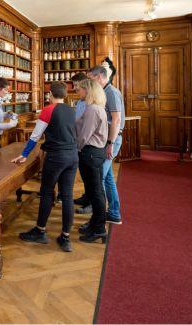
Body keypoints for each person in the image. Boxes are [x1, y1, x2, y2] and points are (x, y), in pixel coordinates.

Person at [12, 82, 78, 252]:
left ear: (50, 94)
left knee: (47, 192)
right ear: (65, 94)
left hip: (56, 157)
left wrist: (24, 154)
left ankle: (40, 231)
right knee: (68, 195)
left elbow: (35, 136)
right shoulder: (72, 110)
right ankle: (65, 237)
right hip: (72, 156)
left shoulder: (48, 110)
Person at [78, 66, 125, 229]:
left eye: (90, 78)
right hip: (105, 140)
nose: (89, 82)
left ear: (99, 77)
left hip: (111, 140)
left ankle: (97, 218)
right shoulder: (104, 93)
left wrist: (111, 143)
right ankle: (113, 212)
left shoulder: (110, 92)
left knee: (98, 181)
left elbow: (116, 120)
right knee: (107, 178)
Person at [74, 79, 109, 243]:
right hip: (94, 153)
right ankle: (95, 224)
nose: (78, 92)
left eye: (80, 89)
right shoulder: (96, 108)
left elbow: (84, 136)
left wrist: (76, 149)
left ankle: (99, 228)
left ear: (88, 91)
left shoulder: (93, 110)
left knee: (95, 193)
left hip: (90, 153)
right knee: (94, 191)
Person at [56, 72, 89, 205]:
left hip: (84, 142)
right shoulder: (81, 101)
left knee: (89, 174)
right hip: (77, 139)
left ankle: (90, 202)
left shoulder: (90, 102)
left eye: (76, 85)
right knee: (83, 172)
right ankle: (86, 197)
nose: (74, 88)